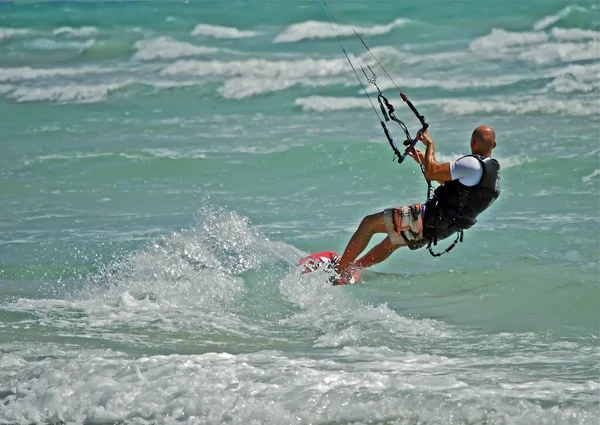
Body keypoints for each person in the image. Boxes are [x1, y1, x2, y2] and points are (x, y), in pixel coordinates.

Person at [334, 125, 501, 284]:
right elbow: (445, 180)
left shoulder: (471, 164)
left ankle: (339, 272)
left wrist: (430, 145)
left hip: (427, 218)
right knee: (392, 241)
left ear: (472, 142)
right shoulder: (492, 174)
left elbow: (432, 173)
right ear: (494, 144)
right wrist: (423, 159)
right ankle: (354, 268)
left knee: (369, 223)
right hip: (442, 229)